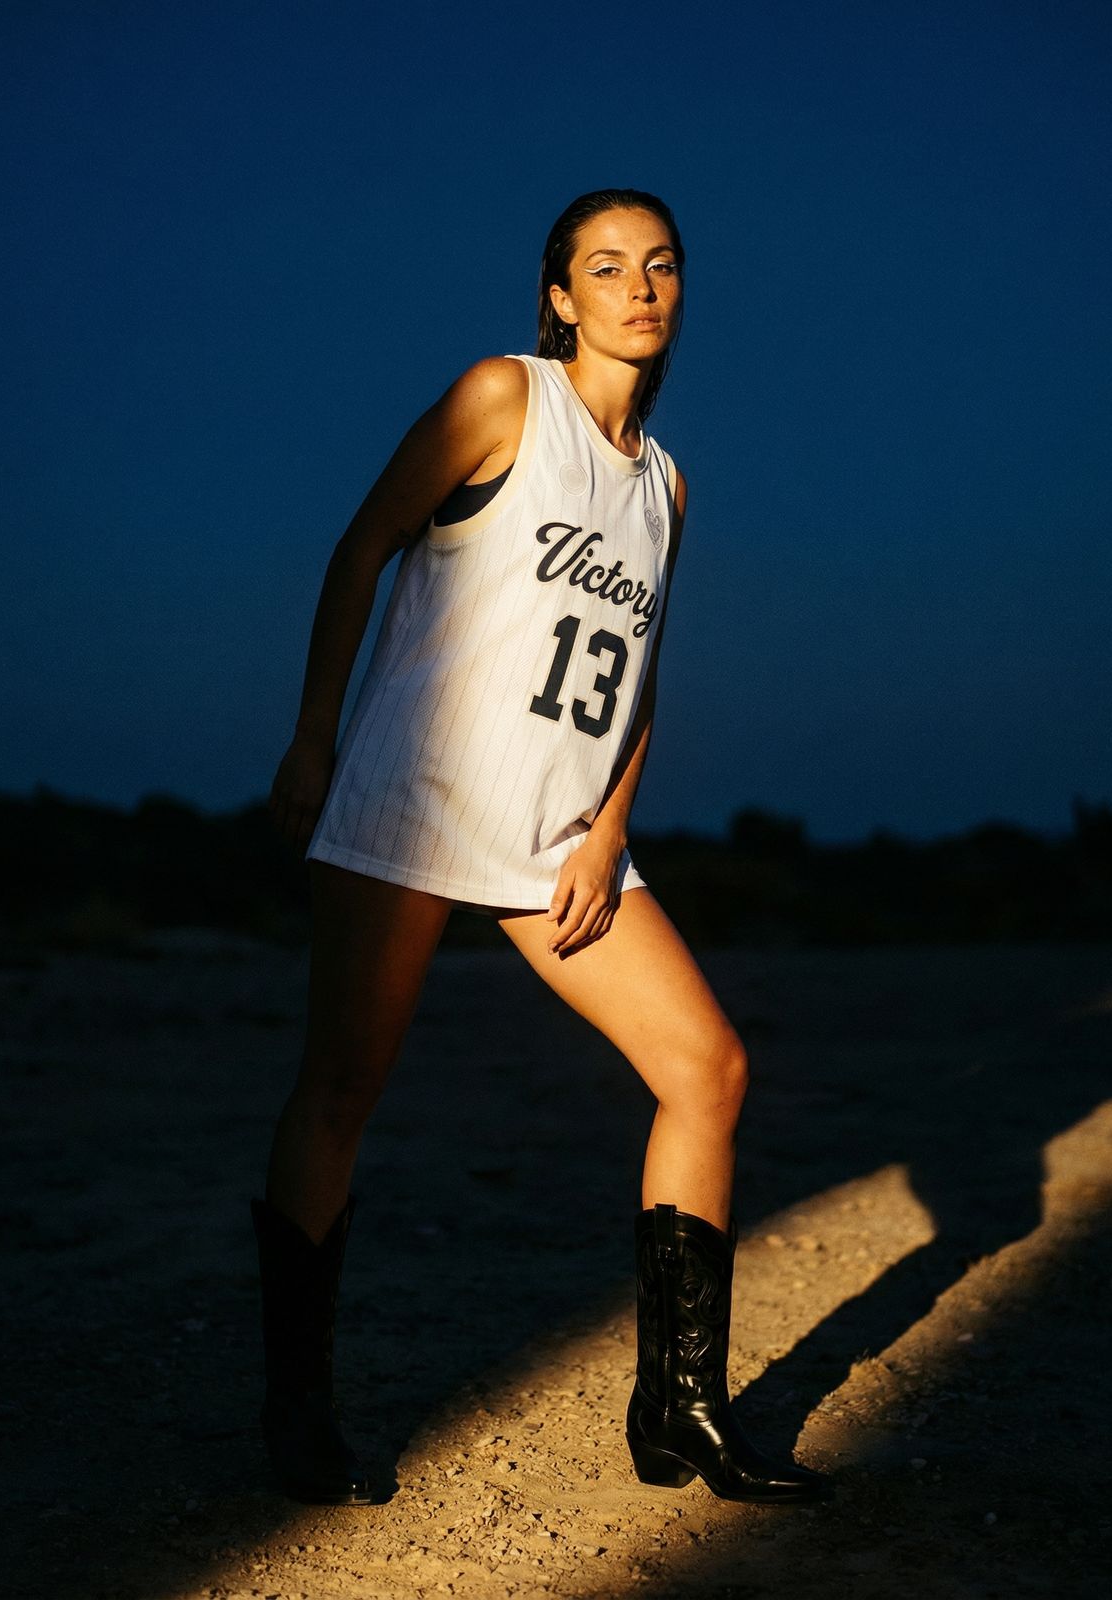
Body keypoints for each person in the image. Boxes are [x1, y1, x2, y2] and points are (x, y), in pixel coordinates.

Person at [253, 189, 832, 1507]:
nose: (640, 286)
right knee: (341, 1089)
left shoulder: (666, 485)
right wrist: (310, 738)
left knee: (707, 1067)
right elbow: (363, 547)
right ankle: (297, 1412)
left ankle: (677, 1415)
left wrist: (609, 829)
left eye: (662, 264)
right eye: (606, 267)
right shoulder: (502, 400)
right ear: (558, 296)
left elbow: (638, 675)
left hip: (559, 830)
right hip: (412, 794)